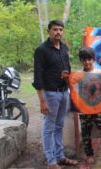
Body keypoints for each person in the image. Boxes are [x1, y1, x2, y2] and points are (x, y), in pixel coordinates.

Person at [33, 20, 78, 168]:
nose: (58, 32)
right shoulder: (41, 50)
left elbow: (67, 68)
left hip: (64, 92)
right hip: (50, 94)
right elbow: (38, 76)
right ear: (49, 31)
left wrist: (68, 79)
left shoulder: (64, 48)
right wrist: (42, 101)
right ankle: (51, 161)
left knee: (59, 126)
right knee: (49, 127)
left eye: (60, 29)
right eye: (55, 29)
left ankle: (60, 156)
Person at [77, 47, 101, 165]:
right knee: (86, 132)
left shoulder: (100, 73)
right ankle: (89, 154)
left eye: (89, 59)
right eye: (84, 60)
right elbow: (75, 92)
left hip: (99, 108)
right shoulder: (78, 75)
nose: (87, 62)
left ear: (93, 59)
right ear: (81, 60)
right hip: (84, 109)